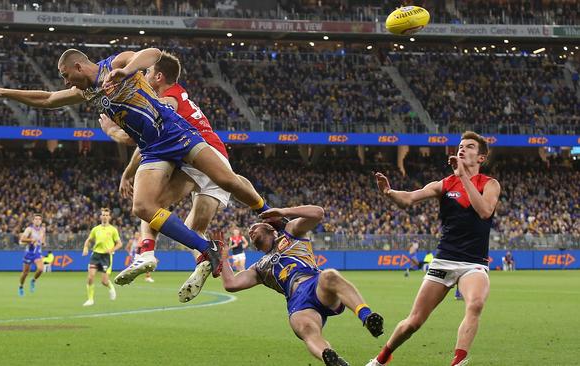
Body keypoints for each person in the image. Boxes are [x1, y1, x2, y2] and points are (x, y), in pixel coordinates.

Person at [0, 47, 272, 285]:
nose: (66, 82)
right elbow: (48, 98)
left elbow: (153, 53)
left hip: (176, 133)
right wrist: (3, 92)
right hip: (152, 149)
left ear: (79, 67)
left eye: (66, 75)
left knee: (228, 181)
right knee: (142, 207)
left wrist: (127, 70)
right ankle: (206, 248)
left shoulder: (113, 65)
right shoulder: (87, 92)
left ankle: (269, 214)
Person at [99, 52, 257, 302]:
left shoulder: (165, 100)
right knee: (193, 230)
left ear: (159, 76)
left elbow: (142, 140)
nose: (145, 76)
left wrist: (112, 132)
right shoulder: (182, 96)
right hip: (218, 155)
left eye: (148, 73)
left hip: (198, 154)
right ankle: (205, 263)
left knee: (152, 206)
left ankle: (146, 253)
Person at [368, 131, 501, 366]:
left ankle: (457, 361)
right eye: (461, 146)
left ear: (481, 157)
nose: (462, 149)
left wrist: (464, 177)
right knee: (414, 322)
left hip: (473, 263)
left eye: (470, 147)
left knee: (476, 303)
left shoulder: (489, 184)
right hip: (444, 260)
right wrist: (389, 193)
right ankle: (381, 359)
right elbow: (409, 198)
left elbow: (484, 211)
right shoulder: (444, 184)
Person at [220, 205, 384, 366]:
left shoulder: (291, 232)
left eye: (255, 226)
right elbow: (231, 283)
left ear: (271, 228)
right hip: (297, 302)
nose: (250, 230)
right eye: (249, 232)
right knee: (304, 327)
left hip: (314, 283)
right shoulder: (258, 268)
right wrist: (223, 258)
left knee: (329, 275)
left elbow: (318, 213)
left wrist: (283, 212)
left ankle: (367, 317)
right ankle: (331, 358)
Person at [81, 208, 123, 306]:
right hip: (96, 255)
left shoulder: (113, 230)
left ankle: (111, 287)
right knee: (90, 277)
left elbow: (119, 244)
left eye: (106, 215)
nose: (104, 217)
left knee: (104, 281)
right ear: (100, 217)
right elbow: (88, 240)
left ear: (109, 217)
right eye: (103, 215)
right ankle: (90, 299)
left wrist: (112, 250)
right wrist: (85, 248)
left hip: (106, 257)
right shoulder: (96, 229)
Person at [18, 213, 46, 296]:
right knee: (25, 273)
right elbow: (22, 239)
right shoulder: (29, 229)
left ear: (41, 221)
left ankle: (33, 280)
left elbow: (43, 238)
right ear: (33, 221)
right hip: (29, 253)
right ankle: (21, 286)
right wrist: (31, 240)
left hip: (37, 253)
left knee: (41, 269)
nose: (37, 220)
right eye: (36, 219)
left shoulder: (42, 229)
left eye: (39, 219)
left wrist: (43, 242)